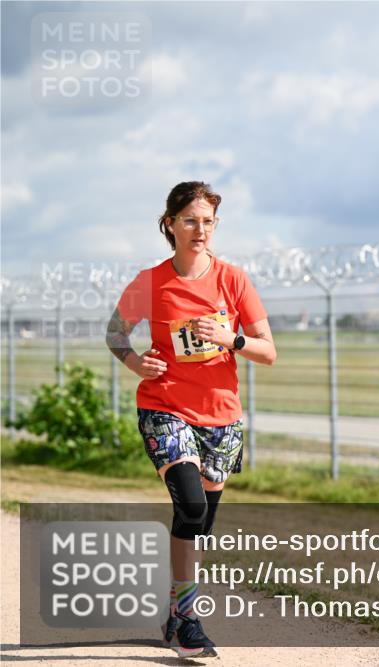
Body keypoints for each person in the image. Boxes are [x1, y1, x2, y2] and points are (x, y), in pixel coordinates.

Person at [105, 181, 277, 658]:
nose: (200, 230)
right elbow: (115, 333)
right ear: (170, 224)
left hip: (221, 415)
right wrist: (135, 361)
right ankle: (190, 619)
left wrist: (231, 338)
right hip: (164, 406)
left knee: (198, 523)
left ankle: (178, 614)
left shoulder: (233, 280)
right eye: (189, 220)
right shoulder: (151, 282)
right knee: (192, 505)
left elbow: (268, 351)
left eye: (208, 221)